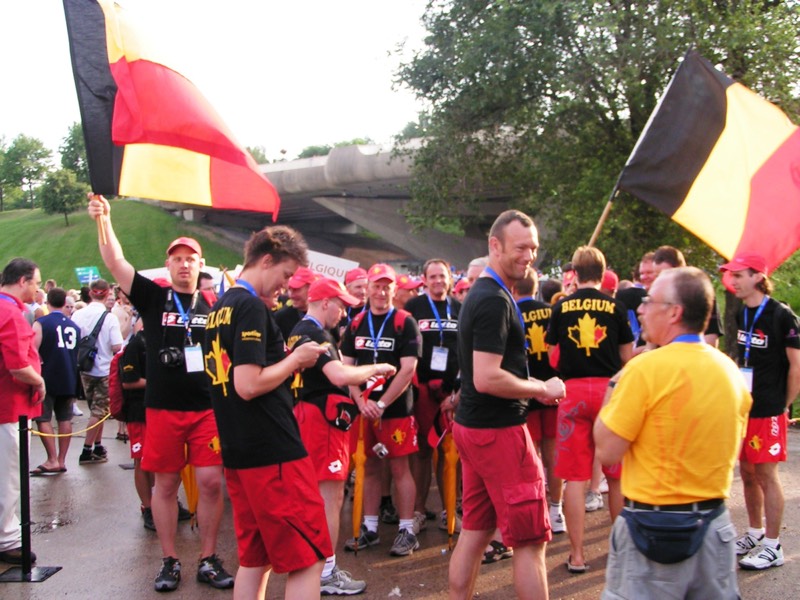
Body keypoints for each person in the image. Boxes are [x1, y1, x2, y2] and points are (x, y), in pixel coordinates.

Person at [87, 194, 234, 592]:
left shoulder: (214, 305)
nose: (184, 264)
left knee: (211, 483)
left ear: (200, 265)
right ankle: (169, 559)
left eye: (191, 259)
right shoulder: (154, 296)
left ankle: (208, 557)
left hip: (206, 409)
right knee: (165, 486)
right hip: (163, 410)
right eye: (177, 259)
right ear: (168, 266)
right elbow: (115, 261)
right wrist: (104, 219)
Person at [595, 266, 751, 599]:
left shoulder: (643, 369)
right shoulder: (730, 371)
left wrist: (614, 385)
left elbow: (607, 451)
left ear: (674, 313)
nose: (641, 309)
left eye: (649, 301)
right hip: (714, 529)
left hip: (650, 530)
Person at [203, 225, 332, 599]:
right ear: (266, 260)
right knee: (309, 559)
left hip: (240, 451)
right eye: (286, 275)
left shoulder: (220, 307)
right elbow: (248, 384)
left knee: (255, 559)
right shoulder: (249, 307)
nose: (286, 286)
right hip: (272, 452)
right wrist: (296, 359)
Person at [449, 210, 565, 600]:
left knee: (476, 530)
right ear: (494, 246)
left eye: (533, 248)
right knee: (530, 541)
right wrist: (541, 388)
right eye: (521, 247)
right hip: (498, 432)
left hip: (476, 428)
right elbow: (487, 377)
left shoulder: (487, 294)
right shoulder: (493, 300)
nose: (529, 256)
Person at [290, 277, 397, 596]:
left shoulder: (302, 329)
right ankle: (325, 571)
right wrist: (375, 368)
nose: (344, 313)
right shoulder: (314, 333)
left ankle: (317, 566)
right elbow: (338, 375)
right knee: (330, 496)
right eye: (341, 306)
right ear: (325, 302)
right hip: (322, 422)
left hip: (312, 416)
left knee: (321, 495)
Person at [545, 246, 633, 573]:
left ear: (575, 273)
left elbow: (553, 357)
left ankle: (577, 555)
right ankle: (620, 552)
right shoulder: (616, 306)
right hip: (610, 393)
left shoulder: (561, 306)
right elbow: (627, 357)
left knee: (575, 478)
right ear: (602, 271)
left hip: (574, 394)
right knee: (616, 477)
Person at [720, 253, 800, 570]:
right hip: (745, 406)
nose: (733, 281)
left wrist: (783, 406)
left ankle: (773, 544)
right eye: (731, 275)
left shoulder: (782, 315)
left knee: (767, 475)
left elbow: (796, 367)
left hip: (769, 408)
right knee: (747, 472)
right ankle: (754, 533)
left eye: (739, 275)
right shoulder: (741, 313)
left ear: (758, 277)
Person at [340, 263, 422, 557]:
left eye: (387, 286)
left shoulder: (405, 322)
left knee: (400, 468)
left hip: (395, 410)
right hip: (364, 409)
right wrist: (361, 401)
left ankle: (407, 530)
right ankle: (370, 527)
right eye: (376, 285)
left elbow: (408, 369)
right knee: (370, 467)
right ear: (368, 288)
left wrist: (382, 403)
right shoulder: (356, 323)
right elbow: (346, 367)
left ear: (394, 290)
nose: (381, 291)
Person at [405, 259, 461, 532]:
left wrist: (457, 389)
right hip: (424, 389)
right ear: (425, 280)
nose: (438, 281)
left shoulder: (459, 308)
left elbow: (466, 350)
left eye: (443, 276)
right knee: (423, 451)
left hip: (452, 391)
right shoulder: (413, 307)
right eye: (433, 276)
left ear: (450, 279)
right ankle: (418, 509)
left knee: (451, 450)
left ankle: (450, 508)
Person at [0, 258, 45, 565]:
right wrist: (39, 380)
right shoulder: (11, 313)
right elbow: (17, 365)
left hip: (8, 407)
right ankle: (7, 538)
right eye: (35, 283)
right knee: (11, 475)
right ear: (22, 281)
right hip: (11, 409)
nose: (37, 289)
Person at [513, 269, 563, 536]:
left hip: (527, 391)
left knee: (530, 456)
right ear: (536, 287)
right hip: (552, 387)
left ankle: (538, 509)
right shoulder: (551, 311)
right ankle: (557, 510)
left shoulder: (512, 312)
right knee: (553, 454)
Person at [71, 278, 123, 465]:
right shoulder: (109, 318)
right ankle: (87, 449)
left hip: (85, 367)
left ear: (90, 293)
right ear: (107, 293)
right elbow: (117, 345)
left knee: (95, 410)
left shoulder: (78, 314)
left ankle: (98, 445)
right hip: (103, 369)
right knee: (99, 411)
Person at [31, 287, 80, 474]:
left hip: (47, 375)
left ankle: (52, 458)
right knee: (65, 418)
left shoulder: (41, 323)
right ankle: (61, 459)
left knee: (43, 417)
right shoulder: (74, 326)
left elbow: (33, 351)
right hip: (69, 376)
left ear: (48, 302)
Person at [652, 245, 723, 346]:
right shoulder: (655, 300)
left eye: (666, 274)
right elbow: (651, 341)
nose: (660, 279)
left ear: (681, 270)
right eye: (656, 275)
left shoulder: (700, 296)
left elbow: (710, 340)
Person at [275, 266, 318, 341]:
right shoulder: (281, 317)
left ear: (310, 288)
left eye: (296, 290)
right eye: (289, 289)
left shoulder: (323, 314)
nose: (291, 295)